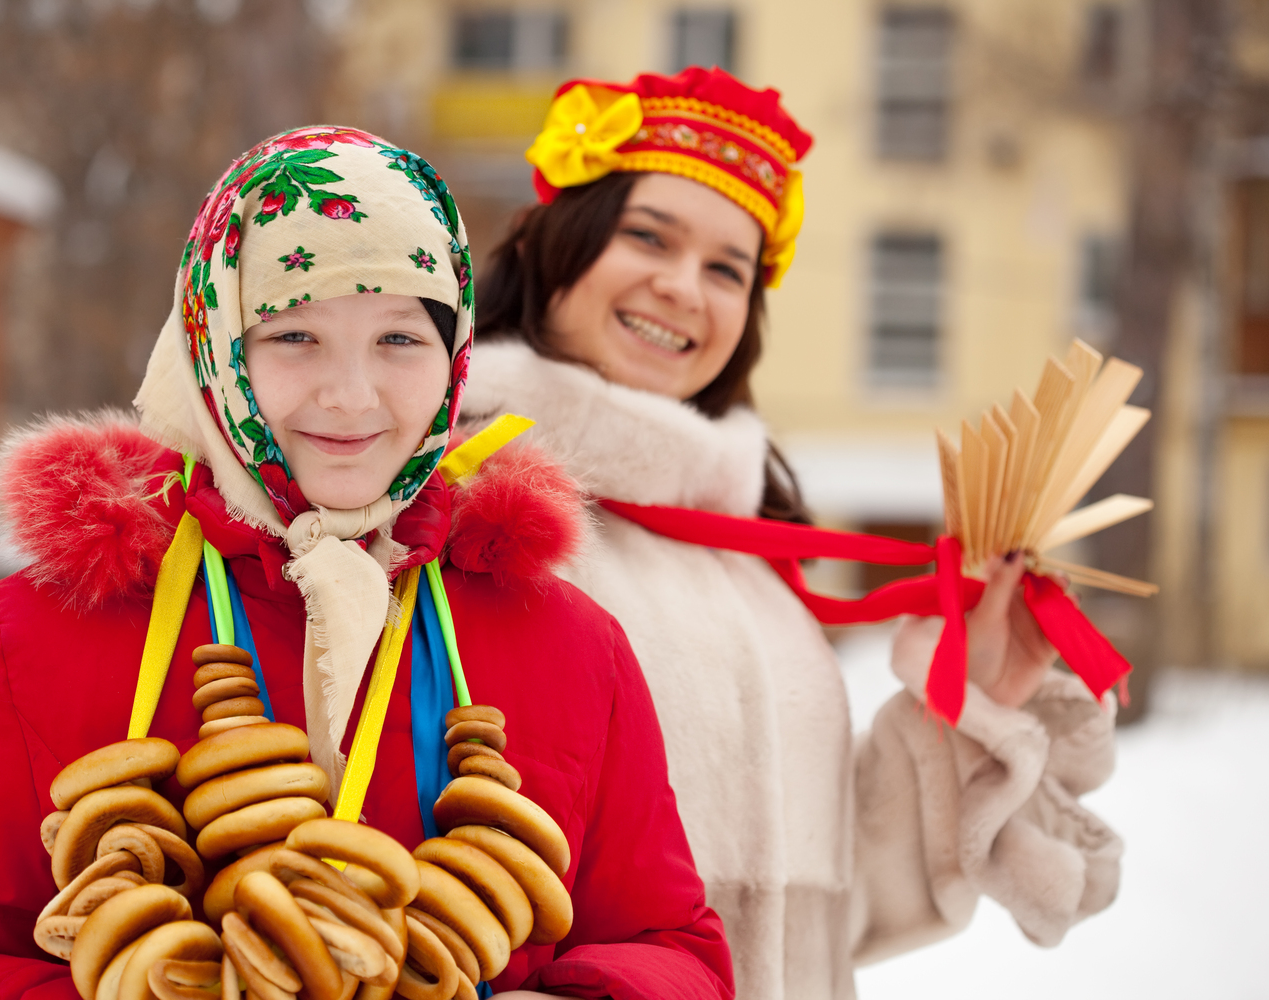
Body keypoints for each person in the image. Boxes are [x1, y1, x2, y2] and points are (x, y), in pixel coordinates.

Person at [0, 127, 733, 1000]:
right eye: (294, 335)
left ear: (455, 357)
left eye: (400, 339)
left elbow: (676, 951)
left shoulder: (569, 643)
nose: (351, 393)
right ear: (215, 346)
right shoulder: (28, 636)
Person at [464, 67, 1123, 1000]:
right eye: (648, 236)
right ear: (547, 244)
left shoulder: (750, 564)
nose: (683, 287)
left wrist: (965, 696)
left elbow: (832, 907)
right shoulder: (461, 505)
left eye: (728, 269)